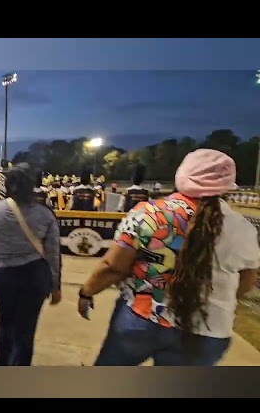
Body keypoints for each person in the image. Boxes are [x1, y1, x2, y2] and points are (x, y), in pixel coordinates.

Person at [78, 149, 260, 366]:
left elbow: (114, 267)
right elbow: (245, 284)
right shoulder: (243, 228)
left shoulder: (148, 213)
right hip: (207, 330)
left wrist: (86, 292)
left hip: (141, 319)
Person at [0, 163, 62, 366]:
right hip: (35, 276)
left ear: (8, 185)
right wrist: (56, 286)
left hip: (5, 275)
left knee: (5, 322)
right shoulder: (45, 214)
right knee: (25, 331)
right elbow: (53, 253)